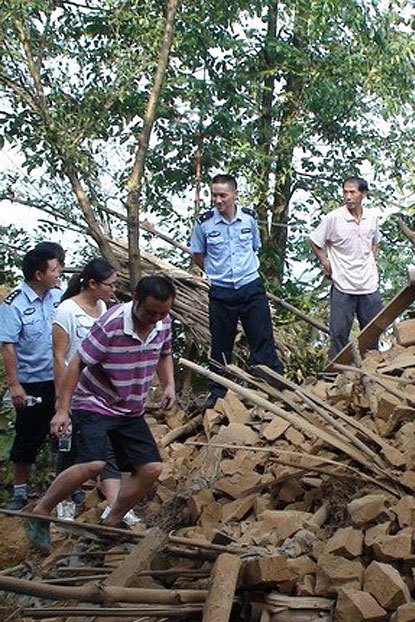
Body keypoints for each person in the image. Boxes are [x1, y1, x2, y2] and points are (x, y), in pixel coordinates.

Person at [27, 276, 176, 551]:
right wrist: (62, 410)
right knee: (94, 463)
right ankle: (41, 511)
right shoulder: (111, 324)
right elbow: (77, 363)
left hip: (130, 407)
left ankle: (112, 520)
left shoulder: (163, 323)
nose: (155, 318)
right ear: (136, 300)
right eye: (150, 312)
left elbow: (165, 353)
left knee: (152, 468)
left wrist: (168, 384)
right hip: (94, 401)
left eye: (162, 312)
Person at [51, 258, 140, 525]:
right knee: (70, 447)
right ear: (92, 284)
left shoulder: (102, 307)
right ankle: (63, 501)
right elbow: (59, 356)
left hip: (99, 391)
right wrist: (61, 399)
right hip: (74, 389)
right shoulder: (66, 311)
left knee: (108, 445)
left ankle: (115, 504)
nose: (113, 290)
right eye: (110, 284)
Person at [190, 173, 283, 407]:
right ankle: (218, 394)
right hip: (221, 292)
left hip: (250, 286)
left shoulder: (249, 219)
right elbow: (198, 254)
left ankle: (272, 387)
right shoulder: (204, 223)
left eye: (223, 195)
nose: (218, 200)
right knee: (221, 344)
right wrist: (215, 272)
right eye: (214, 195)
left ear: (234, 195)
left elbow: (255, 246)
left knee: (262, 338)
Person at [0, 242, 65, 510]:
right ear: (39, 274)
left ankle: (66, 488)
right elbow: (8, 345)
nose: (59, 274)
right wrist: (15, 385)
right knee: (28, 435)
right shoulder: (14, 304)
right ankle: (20, 491)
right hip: (32, 381)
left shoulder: (60, 297)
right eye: (55, 269)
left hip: (60, 379)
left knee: (63, 434)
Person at [310, 175, 383, 359]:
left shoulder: (372, 217)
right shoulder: (333, 218)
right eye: (345, 192)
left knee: (373, 330)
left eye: (352, 192)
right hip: (343, 283)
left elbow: (376, 241)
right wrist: (325, 261)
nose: (348, 196)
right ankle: (337, 373)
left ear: (363, 194)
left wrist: (370, 257)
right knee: (339, 332)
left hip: (368, 283)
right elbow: (315, 241)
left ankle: (372, 368)